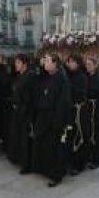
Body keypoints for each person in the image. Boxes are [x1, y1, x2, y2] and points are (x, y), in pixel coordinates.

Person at [32, 53, 72, 187]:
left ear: (55, 64)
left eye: (48, 60)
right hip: (44, 116)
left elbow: (63, 102)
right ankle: (45, 169)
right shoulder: (47, 76)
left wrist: (58, 121)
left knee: (55, 148)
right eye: (45, 61)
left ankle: (56, 175)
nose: (45, 63)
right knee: (44, 145)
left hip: (54, 118)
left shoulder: (62, 79)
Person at [7, 54, 35, 174]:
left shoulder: (30, 76)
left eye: (18, 62)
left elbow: (29, 97)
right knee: (17, 136)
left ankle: (26, 164)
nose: (15, 65)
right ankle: (18, 158)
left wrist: (22, 109)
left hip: (25, 112)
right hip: (17, 111)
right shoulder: (19, 76)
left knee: (25, 138)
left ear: (24, 64)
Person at [66, 53, 89, 175]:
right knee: (70, 135)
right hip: (71, 110)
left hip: (80, 110)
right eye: (69, 61)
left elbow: (81, 94)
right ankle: (71, 161)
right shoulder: (69, 75)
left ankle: (79, 164)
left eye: (72, 61)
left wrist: (69, 86)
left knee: (79, 135)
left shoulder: (82, 77)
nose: (70, 64)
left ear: (78, 63)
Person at [85, 57, 99, 169]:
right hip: (88, 108)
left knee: (97, 134)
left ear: (95, 66)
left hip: (96, 109)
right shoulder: (86, 78)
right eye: (86, 64)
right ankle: (89, 156)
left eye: (90, 64)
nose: (88, 66)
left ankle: (97, 159)